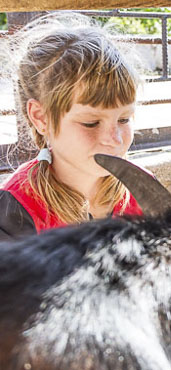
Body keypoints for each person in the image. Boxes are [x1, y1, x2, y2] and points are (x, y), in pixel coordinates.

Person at [0, 13, 144, 240]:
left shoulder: (142, 191)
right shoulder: (14, 213)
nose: (115, 139)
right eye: (91, 123)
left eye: (124, 119)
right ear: (41, 118)